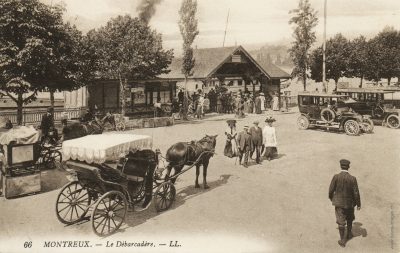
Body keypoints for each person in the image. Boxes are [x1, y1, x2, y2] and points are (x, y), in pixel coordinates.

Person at [329, 159, 361, 247]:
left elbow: (331, 190)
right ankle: (349, 234)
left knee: (341, 221)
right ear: (348, 167)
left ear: (340, 166)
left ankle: (343, 240)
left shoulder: (336, 177)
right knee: (350, 219)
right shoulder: (353, 178)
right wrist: (358, 204)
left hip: (339, 203)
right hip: (350, 204)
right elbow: (356, 192)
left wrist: (333, 199)